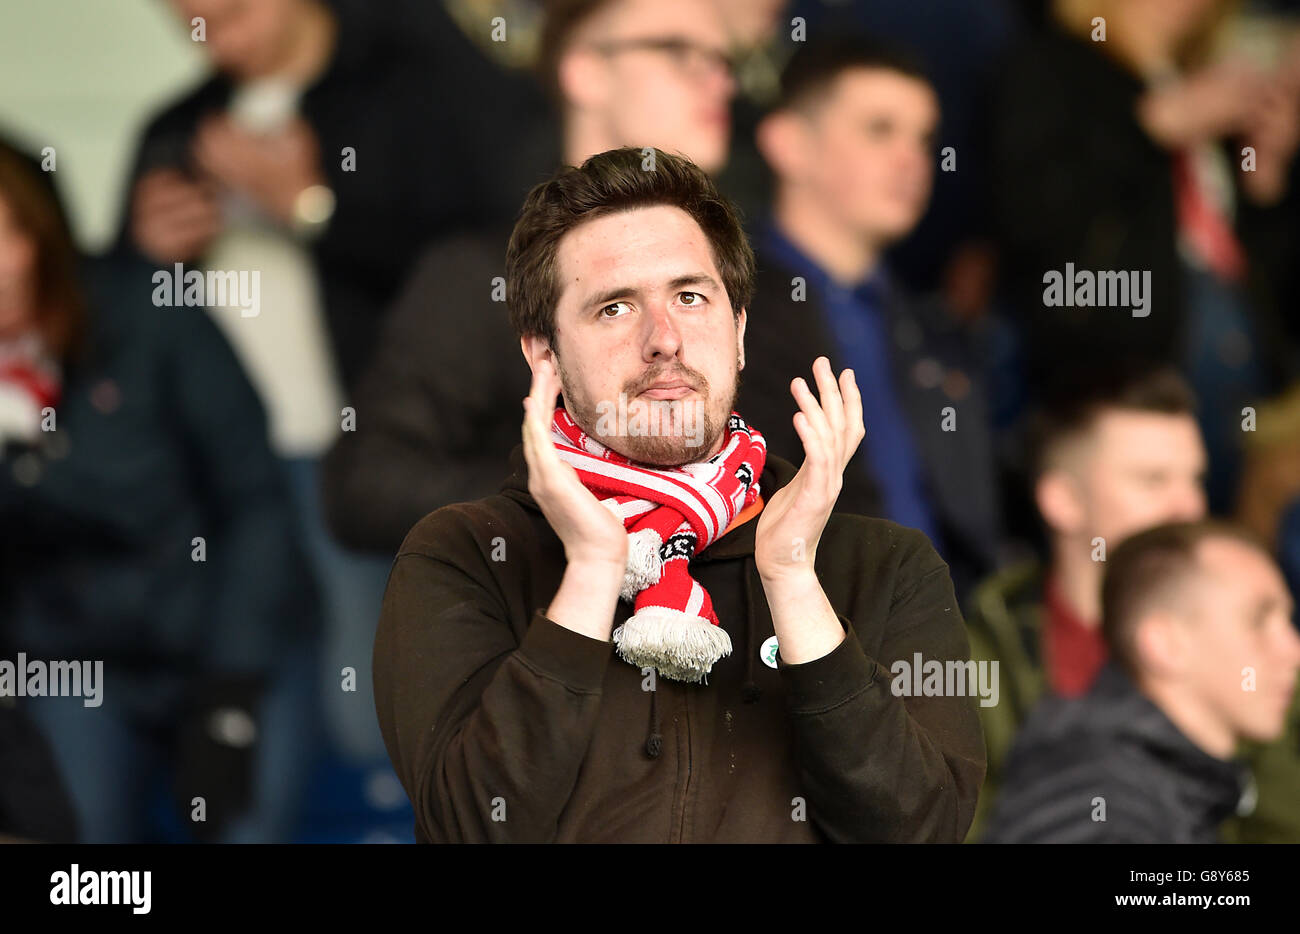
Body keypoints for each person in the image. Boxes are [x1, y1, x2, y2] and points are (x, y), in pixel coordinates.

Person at [372, 147, 985, 843]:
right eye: (613, 308)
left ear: (740, 330)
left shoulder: (884, 565)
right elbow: (470, 829)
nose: (663, 339)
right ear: (544, 356)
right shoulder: (465, 555)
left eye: (690, 297)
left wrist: (791, 578)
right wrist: (593, 576)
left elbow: (920, 832)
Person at [322, 0, 738, 555]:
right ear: (585, 71)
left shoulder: (749, 272)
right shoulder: (476, 275)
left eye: (723, 59)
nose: (720, 81)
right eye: (677, 51)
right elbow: (366, 484)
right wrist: (590, 492)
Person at [0, 143, 316, 842]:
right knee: (78, 861)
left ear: (38, 232)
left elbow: (257, 504)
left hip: (233, 638)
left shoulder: (148, 309)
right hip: (80, 665)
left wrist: (231, 692)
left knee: (244, 826)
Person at [989, 0, 1300, 511]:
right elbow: (1038, 219)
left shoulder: (1200, 80)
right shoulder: (1053, 66)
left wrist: (1265, 179)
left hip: (1239, 387)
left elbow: (1255, 270)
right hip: (1122, 376)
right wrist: (1153, 125)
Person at [742, 35, 1001, 600]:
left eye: (924, 137)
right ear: (789, 144)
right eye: (879, 129)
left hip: (941, 646)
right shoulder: (727, 306)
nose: (912, 158)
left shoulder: (931, 329)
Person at [964, 365, 1207, 839]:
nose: (1190, 508)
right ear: (1063, 501)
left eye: (1195, 479)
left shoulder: (1254, 641)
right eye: (1154, 480)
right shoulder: (973, 659)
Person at [984, 520, 1300, 843]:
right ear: (1165, 645)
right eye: (1259, 621)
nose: (1293, 652)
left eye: (1289, 621)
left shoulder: (1164, 787)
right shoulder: (1099, 797)